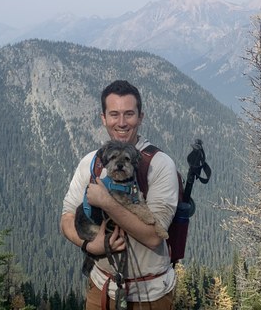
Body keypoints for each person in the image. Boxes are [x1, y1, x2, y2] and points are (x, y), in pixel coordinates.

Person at [60, 80, 179, 310]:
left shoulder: (160, 165)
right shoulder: (91, 162)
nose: (122, 123)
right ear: (103, 118)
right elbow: (66, 218)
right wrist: (89, 246)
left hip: (150, 294)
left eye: (129, 114)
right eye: (114, 114)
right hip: (101, 289)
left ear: (140, 117)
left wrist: (106, 201)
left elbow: (154, 236)